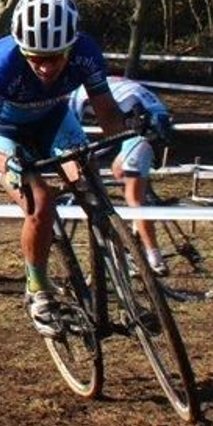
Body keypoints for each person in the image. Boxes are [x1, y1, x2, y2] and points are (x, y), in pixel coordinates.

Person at [0, 0, 128, 337]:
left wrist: (132, 139)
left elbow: (108, 112)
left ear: (71, 46)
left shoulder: (86, 53)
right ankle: (37, 289)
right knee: (40, 200)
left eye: (55, 57)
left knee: (92, 186)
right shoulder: (1, 64)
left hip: (54, 122)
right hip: (6, 133)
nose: (46, 67)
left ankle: (119, 282)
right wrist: (4, 164)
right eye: (35, 57)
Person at [70, 76, 176, 277]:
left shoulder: (75, 95)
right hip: (151, 123)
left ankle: (154, 259)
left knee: (133, 198)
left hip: (144, 128)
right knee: (118, 170)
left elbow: (71, 135)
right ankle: (137, 231)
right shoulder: (99, 81)